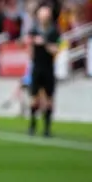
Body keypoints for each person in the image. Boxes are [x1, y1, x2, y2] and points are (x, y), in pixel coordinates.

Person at [26, 5, 61, 137]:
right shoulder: (34, 30)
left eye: (45, 15)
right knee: (34, 98)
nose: (43, 18)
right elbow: (27, 45)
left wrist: (45, 43)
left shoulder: (54, 32)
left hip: (48, 68)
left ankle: (47, 128)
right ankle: (32, 125)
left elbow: (56, 50)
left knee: (49, 98)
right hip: (37, 67)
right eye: (41, 15)